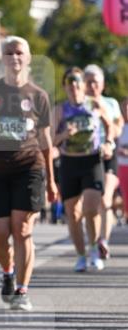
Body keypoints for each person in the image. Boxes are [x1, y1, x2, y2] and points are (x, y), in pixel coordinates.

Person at [0, 36, 57, 311]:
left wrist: (51, 180)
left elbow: (45, 140)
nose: (14, 57)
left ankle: (22, 290)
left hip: (29, 167)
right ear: (2, 59)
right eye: (8, 53)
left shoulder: (38, 96)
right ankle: (8, 272)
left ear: (28, 58)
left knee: (22, 229)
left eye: (19, 52)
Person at [53, 67, 111, 272]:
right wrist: (64, 135)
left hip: (92, 161)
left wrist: (109, 143)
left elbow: (109, 125)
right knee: (73, 213)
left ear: (83, 84)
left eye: (77, 80)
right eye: (69, 81)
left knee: (91, 208)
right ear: (64, 86)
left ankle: (94, 248)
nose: (74, 85)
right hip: (69, 163)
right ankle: (80, 255)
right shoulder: (60, 110)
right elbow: (51, 140)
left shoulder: (94, 104)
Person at [84, 64, 123, 260]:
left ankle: (103, 241)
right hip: (86, 157)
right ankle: (93, 241)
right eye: (88, 82)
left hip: (108, 156)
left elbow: (117, 129)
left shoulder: (111, 103)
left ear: (103, 84)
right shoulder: (77, 104)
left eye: (96, 82)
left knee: (106, 199)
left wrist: (103, 113)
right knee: (90, 206)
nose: (92, 86)